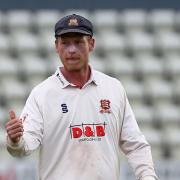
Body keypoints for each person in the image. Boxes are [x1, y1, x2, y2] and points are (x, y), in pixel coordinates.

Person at [6, 14, 158, 180]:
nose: (72, 50)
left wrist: (148, 176)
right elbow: (23, 147)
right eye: (65, 43)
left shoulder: (113, 88)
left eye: (78, 42)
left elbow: (135, 144)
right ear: (56, 46)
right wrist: (15, 140)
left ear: (91, 44)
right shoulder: (42, 94)